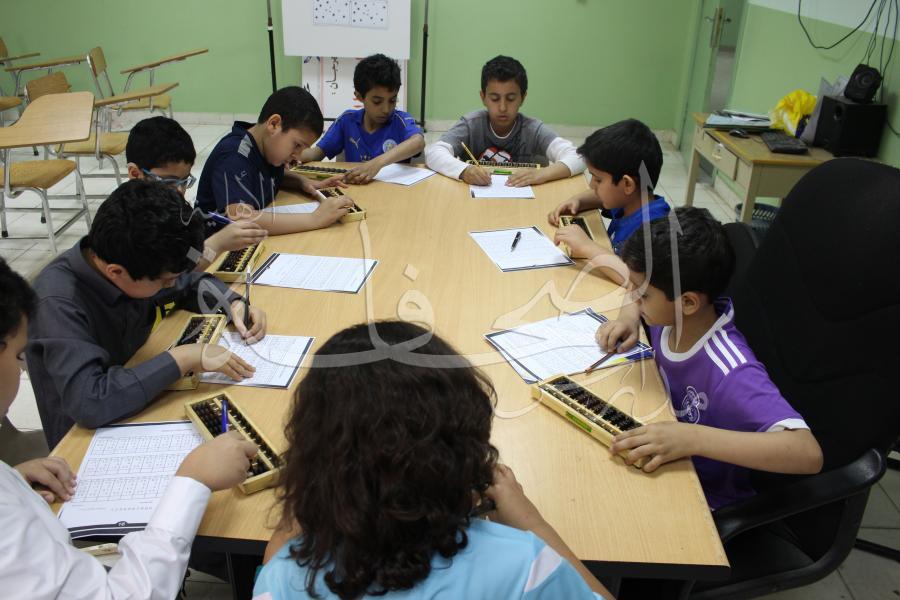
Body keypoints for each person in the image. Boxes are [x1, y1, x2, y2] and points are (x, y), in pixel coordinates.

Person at [253, 321, 613, 599]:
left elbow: (276, 573)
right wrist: (533, 523)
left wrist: (303, 509)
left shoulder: (282, 580)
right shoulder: (524, 567)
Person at [0, 256, 259, 598]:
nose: (22, 371)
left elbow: (186, 282)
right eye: (19, 357)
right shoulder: (59, 299)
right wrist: (192, 483)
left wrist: (13, 479)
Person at [596, 207, 823, 510]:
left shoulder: (730, 370)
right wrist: (629, 317)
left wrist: (692, 438)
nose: (634, 297)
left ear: (688, 302)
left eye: (643, 296)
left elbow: (808, 453)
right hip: (663, 462)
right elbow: (638, 288)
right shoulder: (671, 314)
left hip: (703, 497)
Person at [26, 180, 267, 448]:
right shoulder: (57, 303)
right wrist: (184, 357)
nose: (171, 284)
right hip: (86, 439)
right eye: (165, 280)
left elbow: (188, 283)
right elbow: (90, 401)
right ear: (116, 272)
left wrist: (232, 303)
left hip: (139, 393)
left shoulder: (134, 261)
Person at [195, 86, 355, 236]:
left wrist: (302, 182)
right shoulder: (233, 155)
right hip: (211, 248)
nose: (298, 156)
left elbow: (262, 177)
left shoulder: (267, 147)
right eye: (297, 145)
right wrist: (315, 219)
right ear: (274, 124)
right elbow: (241, 218)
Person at [125, 115, 267, 270]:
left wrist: (215, 247)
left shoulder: (178, 213)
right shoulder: (128, 226)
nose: (179, 191)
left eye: (184, 181)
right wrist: (217, 244)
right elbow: (170, 278)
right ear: (135, 174)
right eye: (168, 181)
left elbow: (191, 260)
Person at [424, 55, 584, 187]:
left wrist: (541, 174)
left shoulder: (533, 129)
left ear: (523, 98)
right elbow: (434, 152)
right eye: (494, 99)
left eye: (511, 98)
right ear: (483, 97)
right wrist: (465, 170)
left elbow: (579, 157)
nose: (502, 107)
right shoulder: (471, 124)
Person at [549, 119, 670, 285]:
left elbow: (638, 282)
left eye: (598, 180)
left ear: (627, 184)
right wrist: (577, 200)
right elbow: (599, 198)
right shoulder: (632, 201)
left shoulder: (653, 229)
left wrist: (587, 247)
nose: (591, 185)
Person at [299, 53, 424, 185]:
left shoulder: (400, 120)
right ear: (359, 96)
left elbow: (418, 142)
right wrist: (291, 154)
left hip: (393, 191)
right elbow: (316, 154)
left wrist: (376, 164)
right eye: (377, 102)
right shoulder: (347, 121)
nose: (386, 109)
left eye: (392, 100)